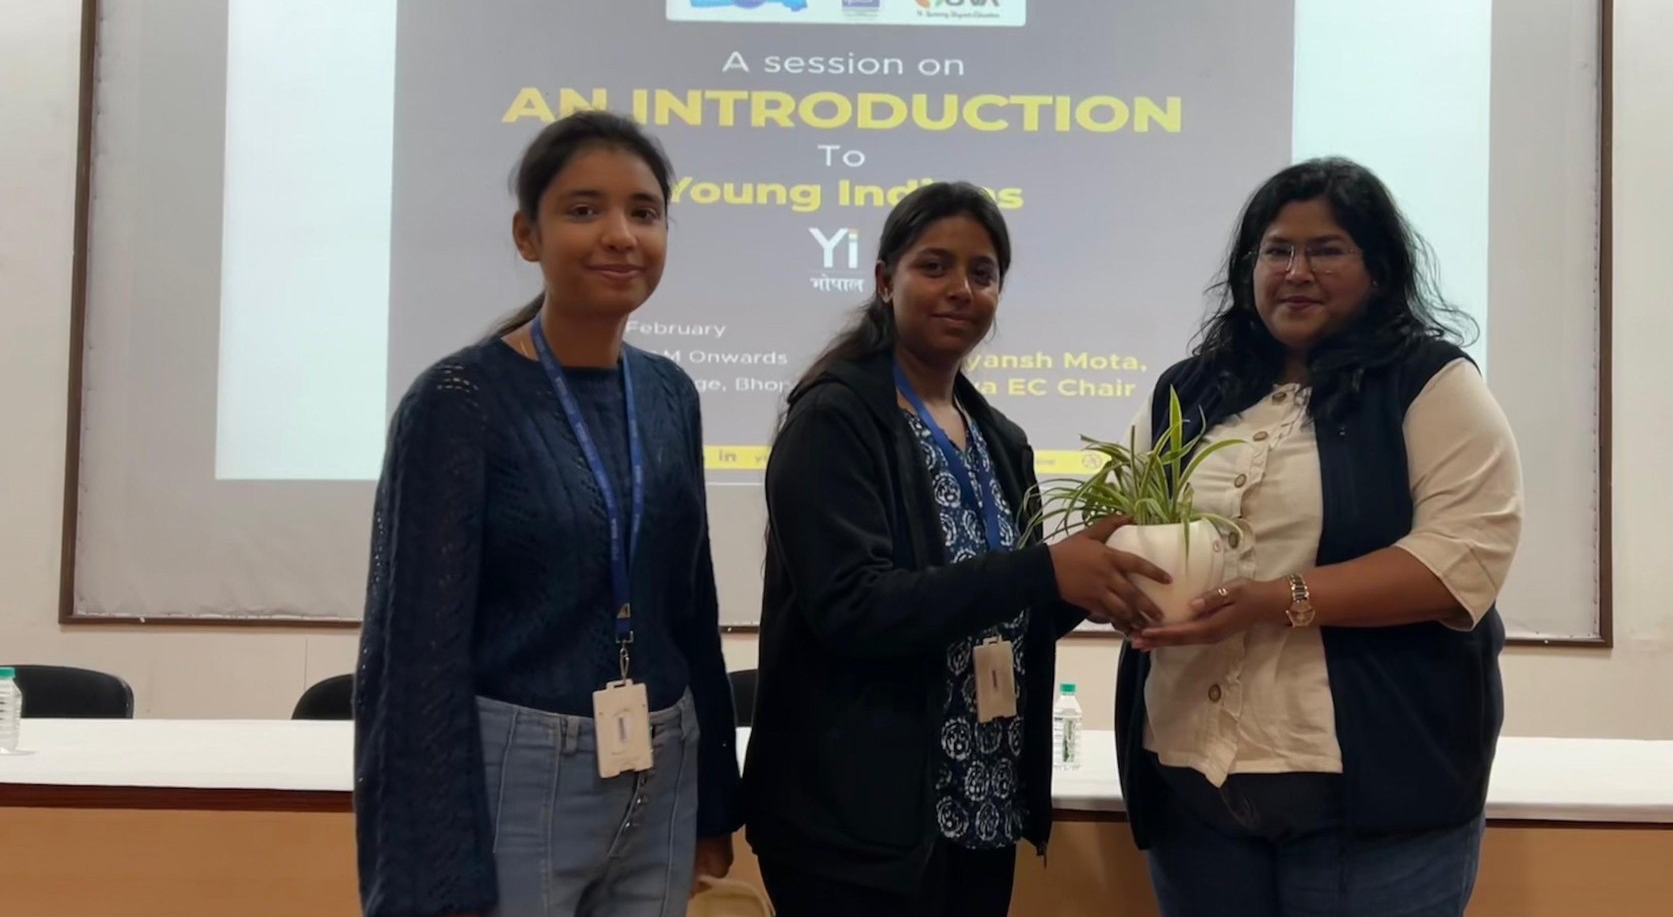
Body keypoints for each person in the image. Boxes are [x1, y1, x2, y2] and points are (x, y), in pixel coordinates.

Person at [742, 182, 1170, 917]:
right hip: (857, 830)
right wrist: (1044, 569)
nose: (961, 289)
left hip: (981, 810)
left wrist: (1091, 582)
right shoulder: (835, 419)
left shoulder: (999, 438)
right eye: (934, 266)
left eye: (982, 273)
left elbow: (1004, 609)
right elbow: (854, 607)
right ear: (885, 280)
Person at [354, 110, 741, 917]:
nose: (620, 235)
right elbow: (415, 655)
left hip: (664, 760)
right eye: (583, 209)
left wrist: (713, 800)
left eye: (644, 212)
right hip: (519, 773)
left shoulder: (669, 393)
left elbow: (689, 607)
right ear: (527, 235)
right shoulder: (459, 401)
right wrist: (430, 871)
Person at [1113, 157, 1523, 917]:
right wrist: (1114, 583)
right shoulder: (1189, 390)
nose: (1296, 272)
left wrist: (1274, 601)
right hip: (1192, 788)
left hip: (1377, 801)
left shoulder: (1431, 384)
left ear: (1379, 268)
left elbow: (1460, 564)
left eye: (1326, 250)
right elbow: (1122, 517)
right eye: (1277, 251)